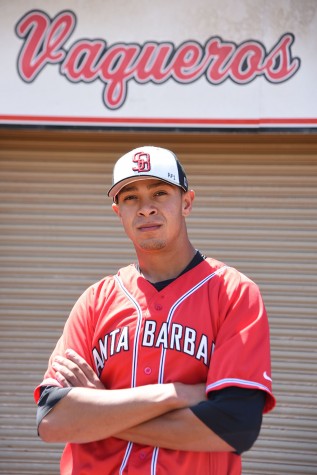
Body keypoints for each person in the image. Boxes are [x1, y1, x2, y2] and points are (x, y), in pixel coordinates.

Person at [34, 146, 276, 475]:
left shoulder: (233, 294)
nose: (146, 208)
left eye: (160, 192)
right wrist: (173, 394)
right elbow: (53, 421)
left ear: (187, 203)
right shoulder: (95, 301)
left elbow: (235, 426)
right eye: (131, 197)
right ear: (118, 211)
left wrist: (99, 409)